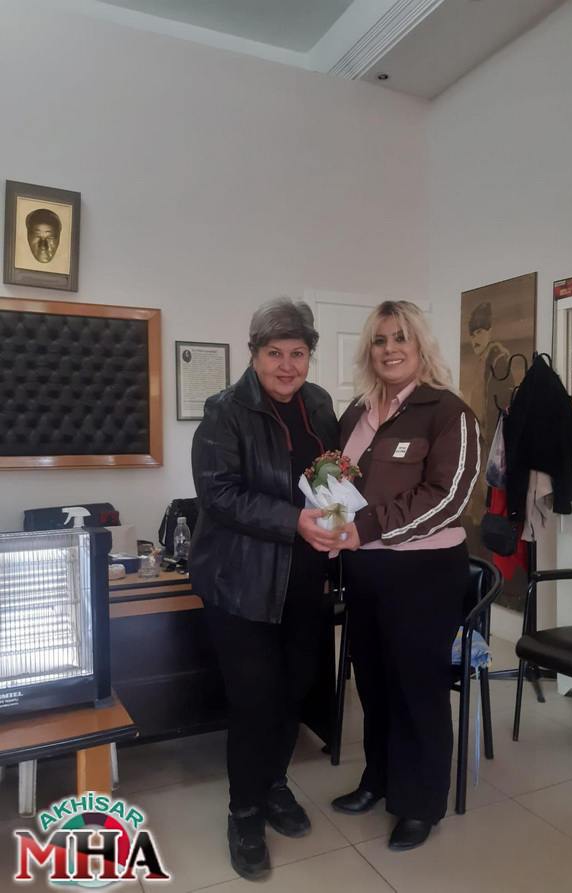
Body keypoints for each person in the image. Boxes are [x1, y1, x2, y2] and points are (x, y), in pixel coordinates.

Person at [190, 298, 340, 881]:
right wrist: (293, 520)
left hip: (304, 579)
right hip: (242, 583)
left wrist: (336, 520)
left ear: (309, 356)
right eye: (274, 353)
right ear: (254, 355)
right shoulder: (224, 411)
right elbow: (219, 494)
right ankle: (244, 812)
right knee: (253, 702)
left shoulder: (320, 404)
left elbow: (330, 475)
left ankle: (274, 784)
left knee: (292, 693)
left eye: (297, 353)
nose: (287, 365)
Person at [332, 300, 481, 850]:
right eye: (380, 339)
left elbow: (448, 497)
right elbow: (336, 481)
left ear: (420, 346)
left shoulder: (448, 411)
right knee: (373, 683)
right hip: (364, 568)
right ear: (368, 350)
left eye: (401, 338)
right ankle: (379, 778)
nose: (390, 349)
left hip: (423, 572)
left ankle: (420, 803)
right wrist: (329, 524)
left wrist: (365, 527)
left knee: (417, 686)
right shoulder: (356, 412)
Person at [467, 300, 511, 444]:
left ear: (490, 332)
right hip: (480, 436)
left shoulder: (498, 362)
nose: (475, 339)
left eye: (479, 332)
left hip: (493, 439)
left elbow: (500, 406)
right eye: (472, 335)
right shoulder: (482, 362)